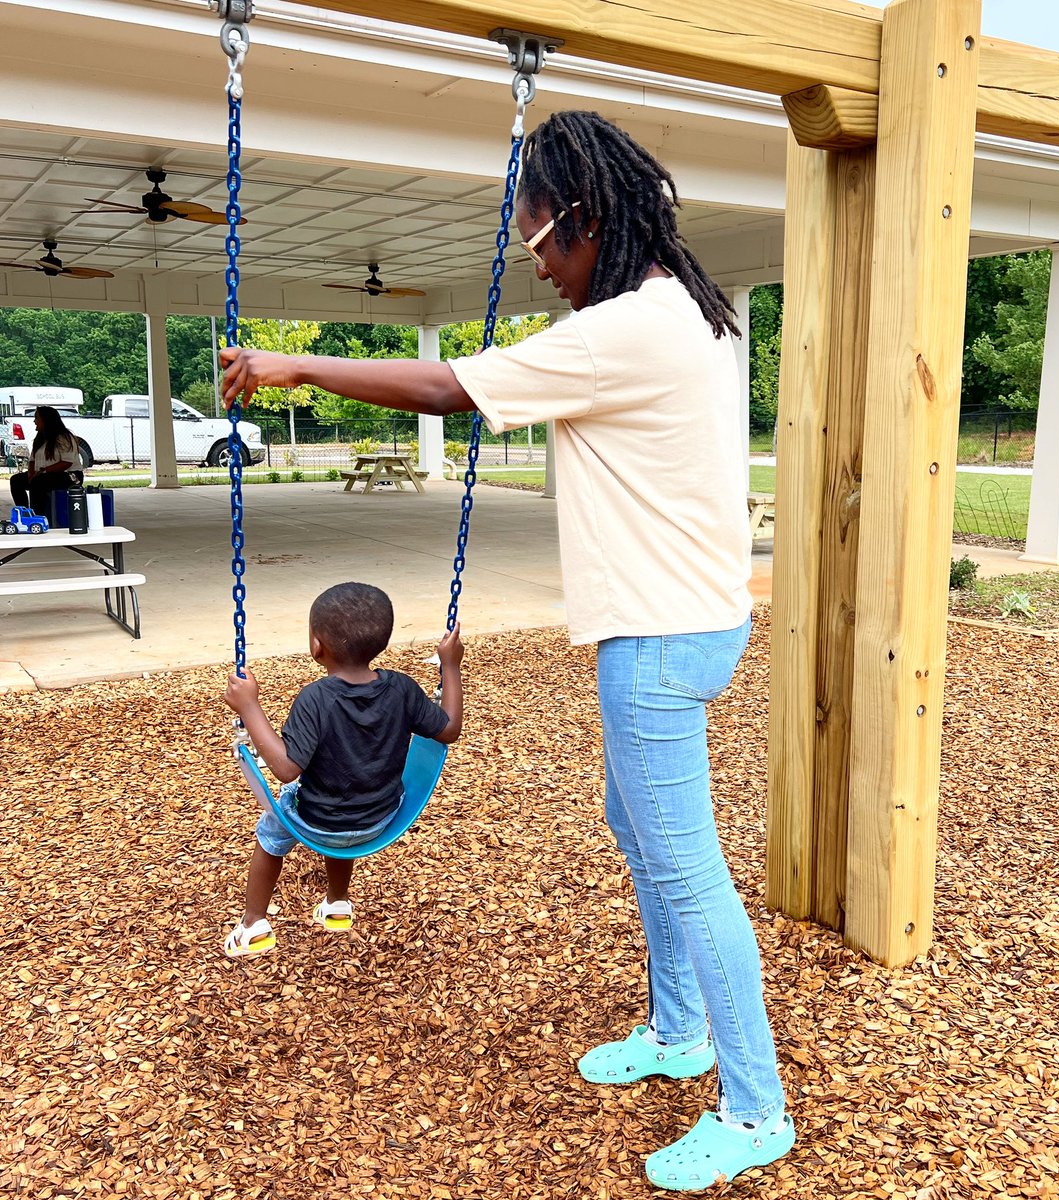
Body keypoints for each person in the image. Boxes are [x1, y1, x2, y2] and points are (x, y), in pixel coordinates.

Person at [220, 110, 792, 1190]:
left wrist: (296, 365)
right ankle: (679, 1034)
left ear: (585, 220)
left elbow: (450, 389)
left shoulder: (628, 327)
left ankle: (755, 1106)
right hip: (688, 618)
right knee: (642, 829)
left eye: (540, 247)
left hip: (658, 637)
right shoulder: (685, 308)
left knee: (687, 866)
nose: (542, 272)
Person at [222, 581, 464, 959]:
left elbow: (286, 770)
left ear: (317, 646)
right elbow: (448, 729)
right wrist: (450, 665)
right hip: (380, 819)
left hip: (319, 823)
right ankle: (337, 904)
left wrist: (250, 708)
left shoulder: (315, 698)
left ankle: (253, 926)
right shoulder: (401, 688)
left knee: (272, 830)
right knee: (347, 802)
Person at [9, 406, 83, 519]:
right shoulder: (40, 439)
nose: (34, 421)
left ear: (46, 420)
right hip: (42, 474)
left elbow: (66, 463)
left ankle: (38, 515)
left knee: (38, 482)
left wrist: (42, 471)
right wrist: (30, 474)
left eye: (37, 418)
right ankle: (24, 514)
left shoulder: (64, 437)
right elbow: (32, 460)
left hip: (70, 475)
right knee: (16, 480)